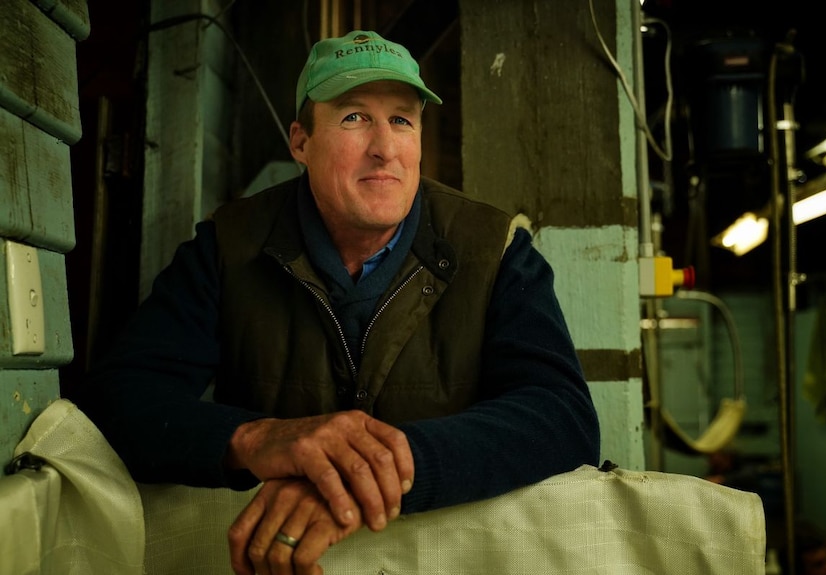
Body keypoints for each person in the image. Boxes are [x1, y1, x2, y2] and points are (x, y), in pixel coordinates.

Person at [73, 29, 601, 575]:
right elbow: (120, 397)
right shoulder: (230, 247)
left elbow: (562, 416)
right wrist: (258, 438)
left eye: (402, 119)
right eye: (353, 117)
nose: (385, 147)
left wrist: (379, 470)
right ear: (301, 142)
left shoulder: (494, 249)